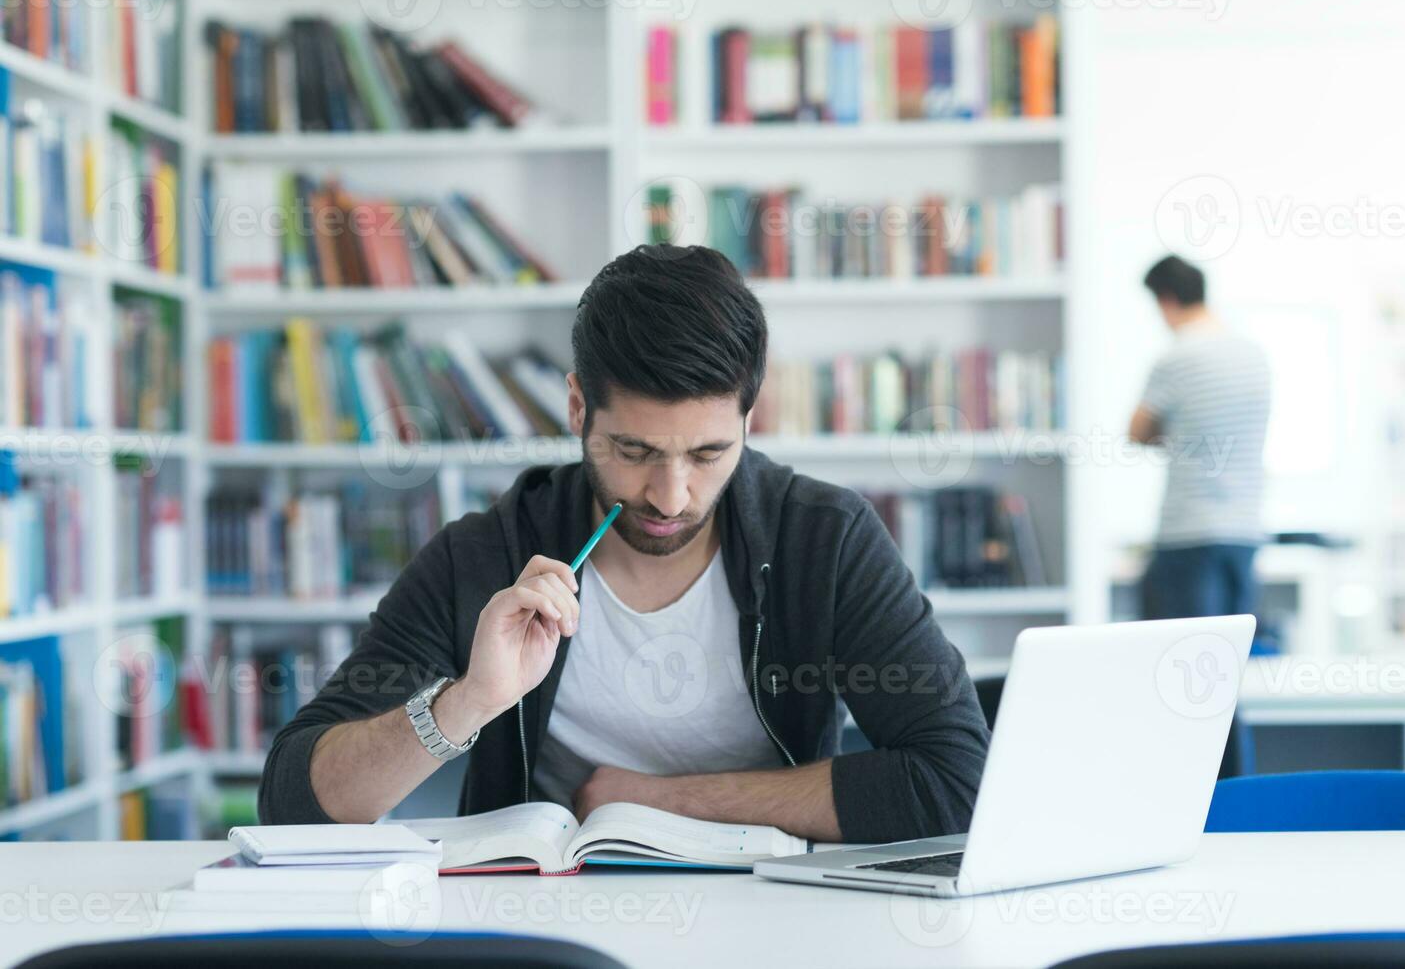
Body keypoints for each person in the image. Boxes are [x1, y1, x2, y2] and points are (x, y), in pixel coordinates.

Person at [258, 244, 989, 844]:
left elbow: (955, 781)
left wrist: (651, 800)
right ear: (577, 407)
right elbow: (295, 804)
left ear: (749, 419)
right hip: (544, 923)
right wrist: (465, 703)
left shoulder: (823, 541)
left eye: (706, 454)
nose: (670, 498)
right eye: (634, 451)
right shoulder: (482, 556)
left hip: (776, 912)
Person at [1130, 255, 1272, 776]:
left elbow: (1137, 431)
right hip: (1243, 534)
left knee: (1175, 679)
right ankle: (1233, 799)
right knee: (1225, 678)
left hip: (1188, 537)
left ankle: (1183, 792)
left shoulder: (1178, 358)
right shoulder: (1252, 354)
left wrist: (1181, 434)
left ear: (1166, 300)